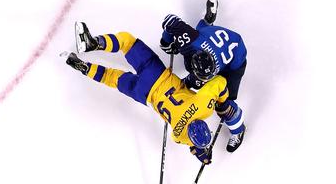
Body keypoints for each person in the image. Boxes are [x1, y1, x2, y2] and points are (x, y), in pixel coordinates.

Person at [64, 22, 241, 165]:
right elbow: (190, 143)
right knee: (112, 78)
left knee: (127, 41)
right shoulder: (178, 136)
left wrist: (222, 103)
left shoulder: (204, 107)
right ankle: (84, 68)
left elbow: (220, 82)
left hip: (156, 75)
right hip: (144, 96)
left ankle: (94, 43)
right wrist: (201, 153)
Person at [159, 0, 247, 152]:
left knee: (223, 103)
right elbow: (169, 20)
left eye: (206, 76)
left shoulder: (213, 65)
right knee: (199, 32)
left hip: (235, 58)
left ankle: (238, 130)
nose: (202, 79)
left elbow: (196, 82)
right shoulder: (190, 40)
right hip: (208, 38)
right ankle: (208, 20)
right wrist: (165, 43)